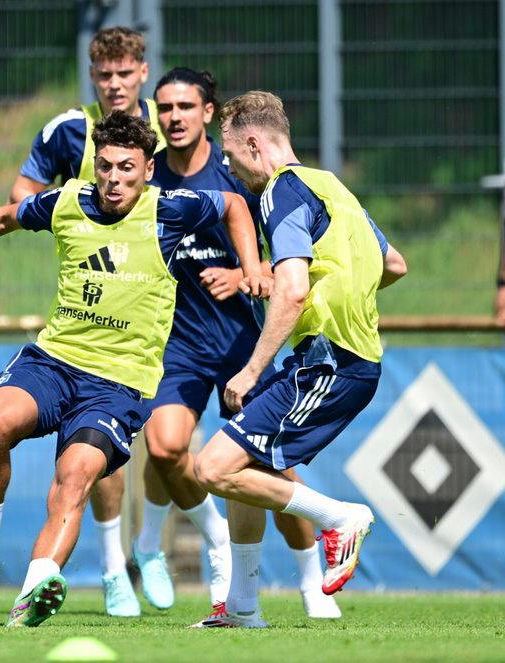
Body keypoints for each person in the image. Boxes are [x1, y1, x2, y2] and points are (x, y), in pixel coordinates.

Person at [0, 111, 267, 627]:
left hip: (118, 384)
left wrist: (251, 268)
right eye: (105, 166)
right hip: (54, 361)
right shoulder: (67, 202)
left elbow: (234, 205)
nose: (114, 178)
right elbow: (3, 219)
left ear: (148, 170)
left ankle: (32, 595)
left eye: (127, 168)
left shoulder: (170, 209)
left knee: (76, 476)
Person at [0, 25, 167, 619]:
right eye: (103, 74)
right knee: (78, 454)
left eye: (124, 72)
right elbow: (19, 194)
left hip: (161, 296)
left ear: (143, 72)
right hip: (84, 310)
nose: (113, 83)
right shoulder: (67, 132)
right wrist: (65, 214)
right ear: (93, 77)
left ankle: (146, 549)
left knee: (161, 446)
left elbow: (217, 193)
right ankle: (111, 569)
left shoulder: (172, 122)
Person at [190, 91, 408, 628]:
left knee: (210, 467)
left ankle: (341, 517)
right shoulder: (332, 187)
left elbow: (288, 292)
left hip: (330, 363)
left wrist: (250, 369)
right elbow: (394, 265)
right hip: (342, 361)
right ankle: (242, 606)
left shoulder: (279, 193)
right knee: (245, 457)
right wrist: (338, 285)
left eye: (231, 155)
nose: (230, 167)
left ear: (254, 143)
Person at [133, 67, 341, 618]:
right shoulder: (145, 178)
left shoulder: (240, 177)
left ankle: (310, 587)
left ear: (208, 113)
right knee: (164, 446)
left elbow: (289, 264)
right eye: (165, 108)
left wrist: (247, 273)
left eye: (185, 106)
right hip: (177, 343)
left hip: (244, 343)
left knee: (271, 468)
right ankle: (186, 543)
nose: (173, 117)